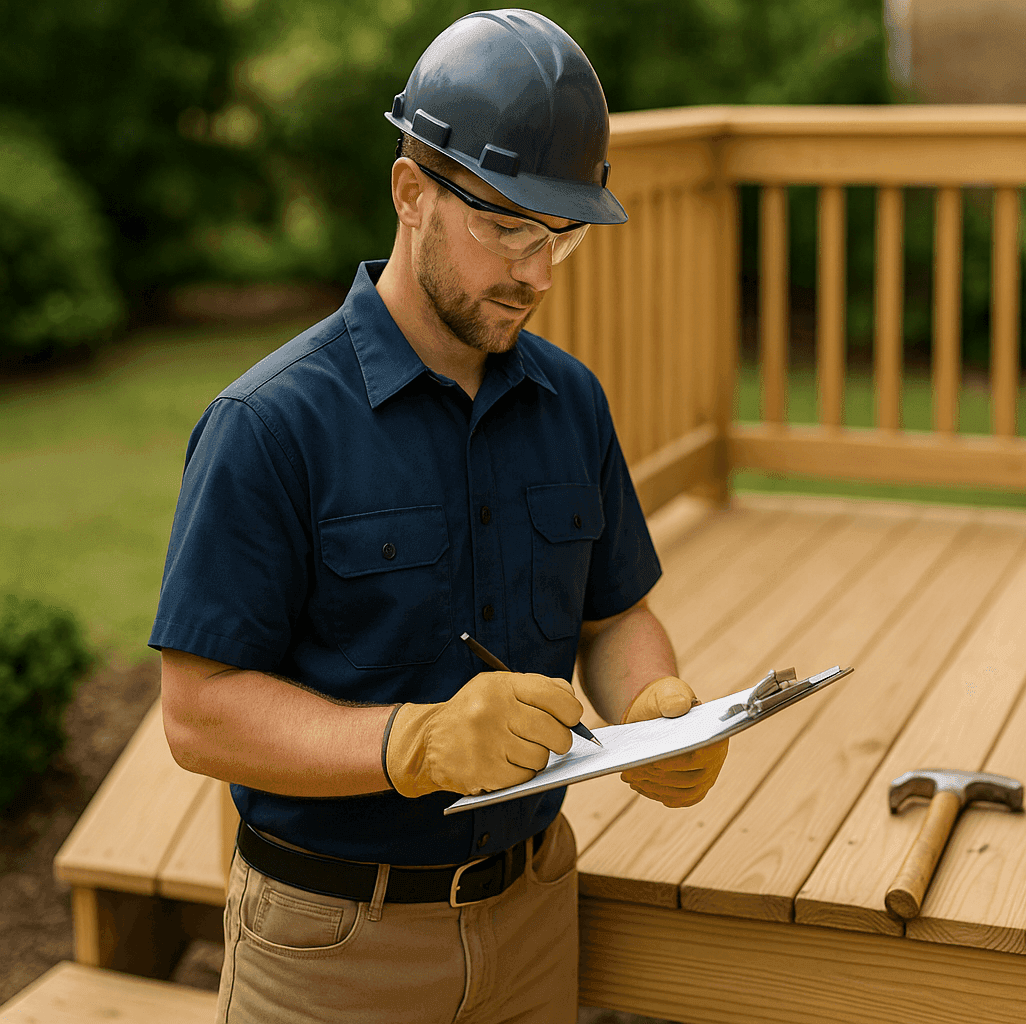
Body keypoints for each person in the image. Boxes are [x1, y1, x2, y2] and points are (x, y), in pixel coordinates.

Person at [151, 10, 728, 1023]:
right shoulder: (268, 425)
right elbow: (199, 712)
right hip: (333, 951)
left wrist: (656, 708)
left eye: (560, 236)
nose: (535, 273)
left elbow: (613, 614)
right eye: (504, 226)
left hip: (537, 917)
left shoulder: (572, 401)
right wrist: (410, 742)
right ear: (411, 192)